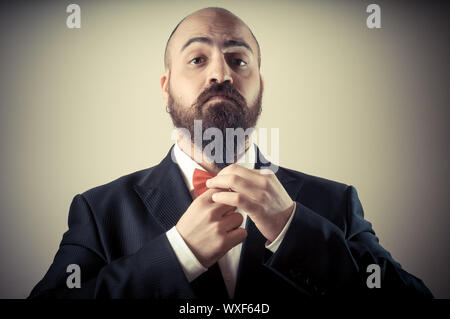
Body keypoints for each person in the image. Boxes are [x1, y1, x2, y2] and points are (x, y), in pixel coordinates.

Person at [29, 7, 432, 299]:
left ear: (261, 85)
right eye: (198, 59)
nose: (220, 73)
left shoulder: (336, 202)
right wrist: (177, 254)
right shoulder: (99, 211)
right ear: (166, 86)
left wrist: (294, 229)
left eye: (238, 60)